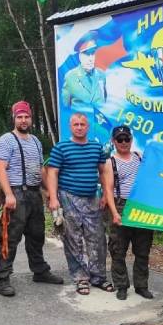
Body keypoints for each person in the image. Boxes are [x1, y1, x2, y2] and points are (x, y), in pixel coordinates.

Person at [0, 101, 63, 297]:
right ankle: (2, 277)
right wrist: (8, 194)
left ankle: (40, 271)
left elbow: (41, 170)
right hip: (15, 193)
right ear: (14, 119)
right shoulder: (6, 140)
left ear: (31, 118)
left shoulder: (35, 141)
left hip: (34, 194)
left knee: (36, 235)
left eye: (26, 117)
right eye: (19, 117)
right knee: (9, 237)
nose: (23, 120)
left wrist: (49, 192)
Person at [46, 113, 113, 295]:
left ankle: (98, 277)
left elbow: (103, 172)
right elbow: (52, 173)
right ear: (70, 127)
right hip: (69, 197)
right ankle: (81, 278)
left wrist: (105, 194)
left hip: (92, 198)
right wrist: (53, 198)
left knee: (97, 238)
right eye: (76, 124)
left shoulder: (96, 147)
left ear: (88, 127)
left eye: (82, 124)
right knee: (73, 239)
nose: (79, 127)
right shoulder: (61, 147)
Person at [104, 125, 154, 300]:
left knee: (142, 249)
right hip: (121, 206)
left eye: (127, 139)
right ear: (114, 141)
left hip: (141, 207)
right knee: (118, 249)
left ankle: (141, 285)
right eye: (120, 139)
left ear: (131, 140)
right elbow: (108, 190)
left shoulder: (139, 156)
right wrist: (114, 213)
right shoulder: (110, 162)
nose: (124, 142)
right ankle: (122, 286)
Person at [61, 31, 107, 109]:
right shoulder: (70, 76)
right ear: (80, 56)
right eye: (86, 54)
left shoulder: (101, 74)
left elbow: (104, 100)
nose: (90, 59)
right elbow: (65, 105)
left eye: (92, 53)